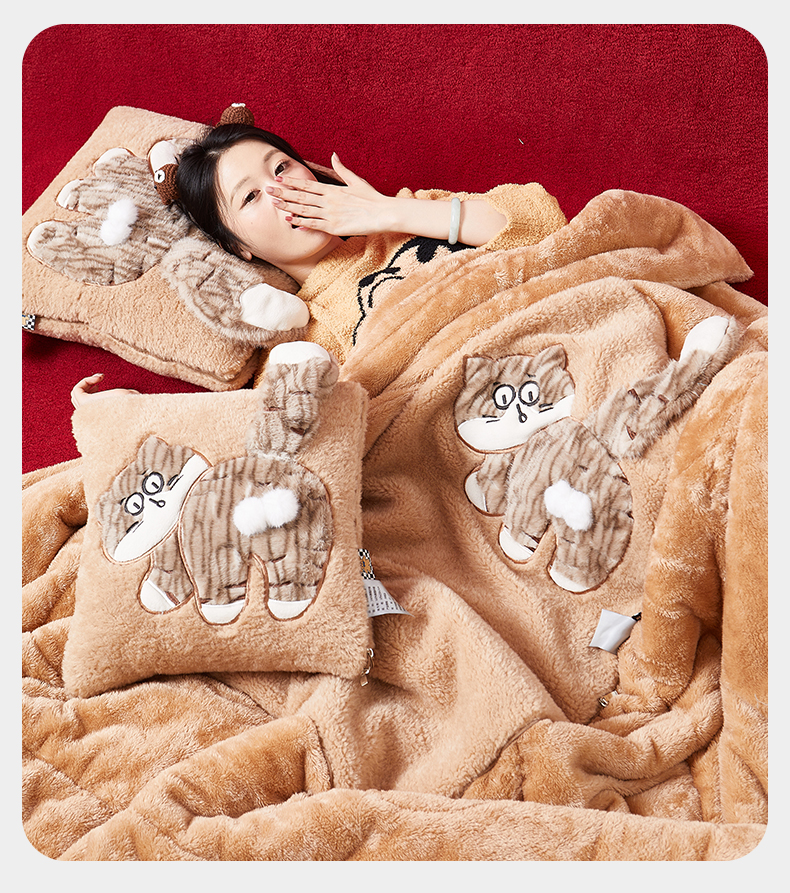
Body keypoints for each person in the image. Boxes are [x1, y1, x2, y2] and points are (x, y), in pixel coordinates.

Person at [175, 122, 568, 362]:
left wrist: (388, 212)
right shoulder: (308, 335)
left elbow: (543, 224)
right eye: (250, 196)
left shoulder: (409, 209)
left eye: (281, 167)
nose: (283, 192)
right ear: (237, 247)